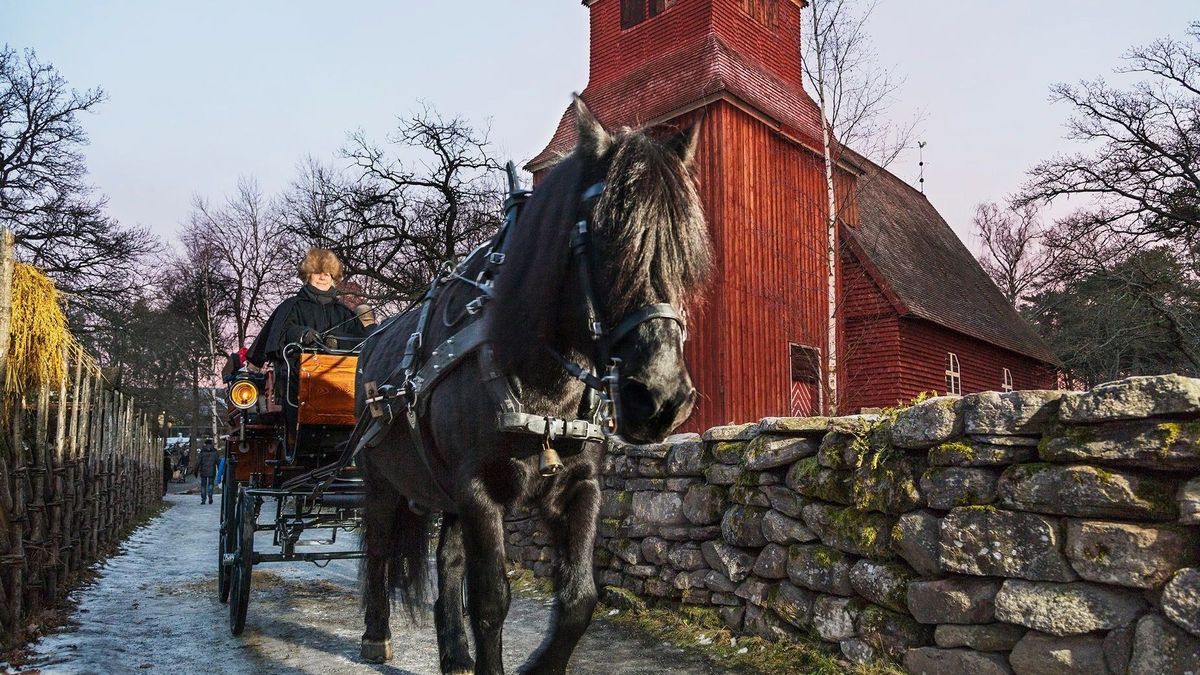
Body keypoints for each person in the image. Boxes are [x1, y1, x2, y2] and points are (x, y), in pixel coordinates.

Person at [245, 248, 368, 437]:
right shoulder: (291, 306)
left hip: (341, 383)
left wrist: (337, 342)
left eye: (327, 273)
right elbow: (278, 335)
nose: (323, 277)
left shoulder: (344, 313)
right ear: (308, 275)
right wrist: (301, 334)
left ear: (333, 277)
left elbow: (362, 342)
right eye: (318, 272)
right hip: (300, 379)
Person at [195, 439, 219, 504]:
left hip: (203, 471)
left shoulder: (202, 452)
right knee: (210, 484)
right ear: (211, 444)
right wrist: (220, 471)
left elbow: (198, 462)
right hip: (212, 471)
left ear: (205, 444)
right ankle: (210, 497)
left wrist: (195, 471)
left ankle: (203, 500)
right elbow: (218, 462)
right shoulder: (215, 451)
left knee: (203, 485)